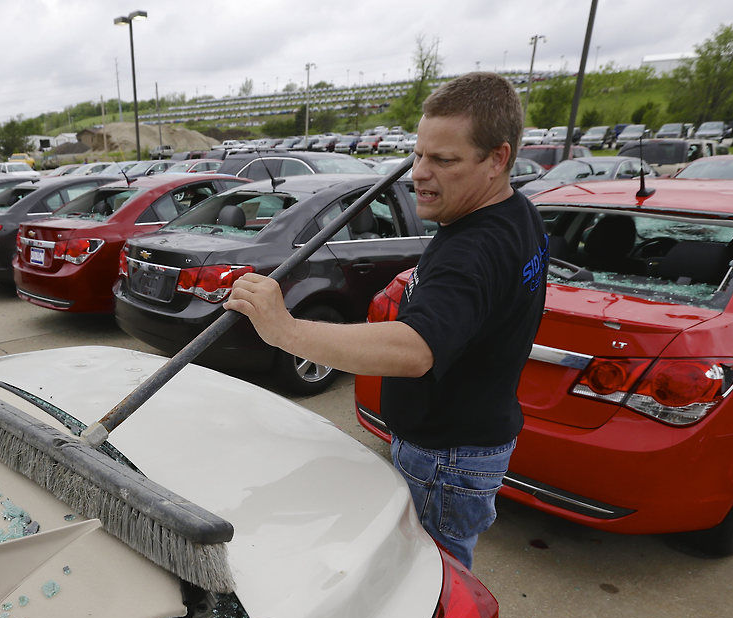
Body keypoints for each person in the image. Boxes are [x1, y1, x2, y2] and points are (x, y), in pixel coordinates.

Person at [224, 72, 547, 569]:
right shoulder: (516, 213)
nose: (419, 172)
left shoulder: (472, 248)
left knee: (432, 580)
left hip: (445, 455)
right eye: (418, 154)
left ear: (498, 159)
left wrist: (284, 329)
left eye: (444, 160)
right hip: (467, 440)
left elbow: (415, 349)